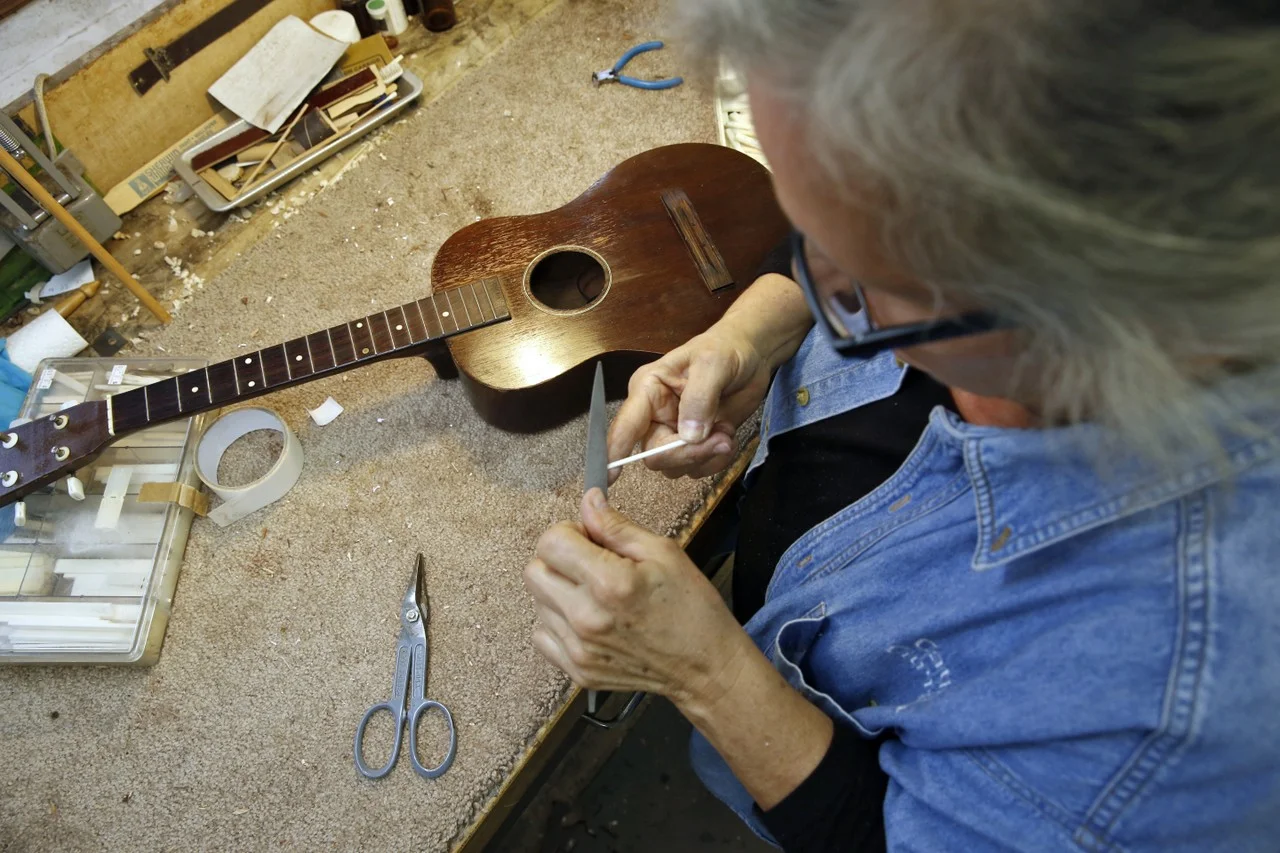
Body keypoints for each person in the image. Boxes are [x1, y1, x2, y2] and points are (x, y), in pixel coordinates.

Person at [521, 1, 1280, 850]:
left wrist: (706, 672)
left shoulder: (1164, 712)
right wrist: (751, 333)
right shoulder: (1037, 284)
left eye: (854, 285)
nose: (815, 283)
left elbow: (881, 835)